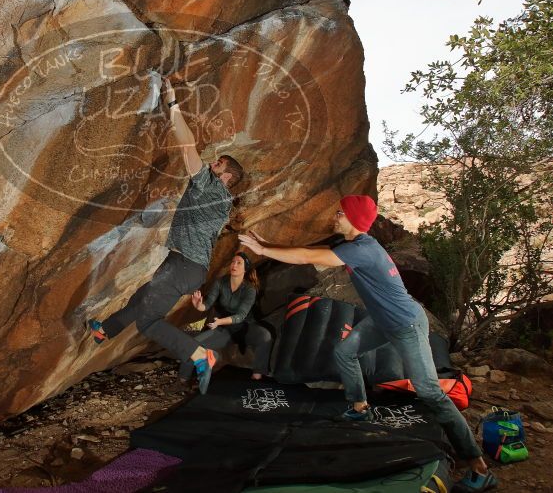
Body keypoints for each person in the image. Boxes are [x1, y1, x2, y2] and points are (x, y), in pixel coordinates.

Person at [239, 195, 496, 492]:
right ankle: (360, 406)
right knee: (345, 352)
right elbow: (316, 250)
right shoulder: (353, 245)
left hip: (406, 325)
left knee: (430, 392)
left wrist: (261, 249)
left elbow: (309, 258)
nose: (334, 216)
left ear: (353, 218)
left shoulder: (362, 250)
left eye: (339, 213)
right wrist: (268, 245)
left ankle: (479, 468)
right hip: (381, 320)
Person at [87, 76, 245, 395]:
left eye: (219, 164)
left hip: (183, 266)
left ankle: (200, 354)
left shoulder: (212, 187)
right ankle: (105, 330)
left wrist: (172, 104)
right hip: (187, 268)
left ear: (227, 177)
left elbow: (187, 147)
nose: (212, 163)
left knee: (149, 321)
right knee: (143, 298)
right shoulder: (221, 201)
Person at [179, 252, 272, 382]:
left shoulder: (249, 289)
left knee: (265, 337)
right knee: (193, 344)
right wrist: (198, 305)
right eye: (233, 262)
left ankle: (258, 374)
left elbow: (240, 316)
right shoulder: (220, 282)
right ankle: (183, 379)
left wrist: (220, 322)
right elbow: (207, 303)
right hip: (225, 329)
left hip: (245, 327)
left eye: (239, 263)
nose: (234, 265)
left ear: (246, 269)